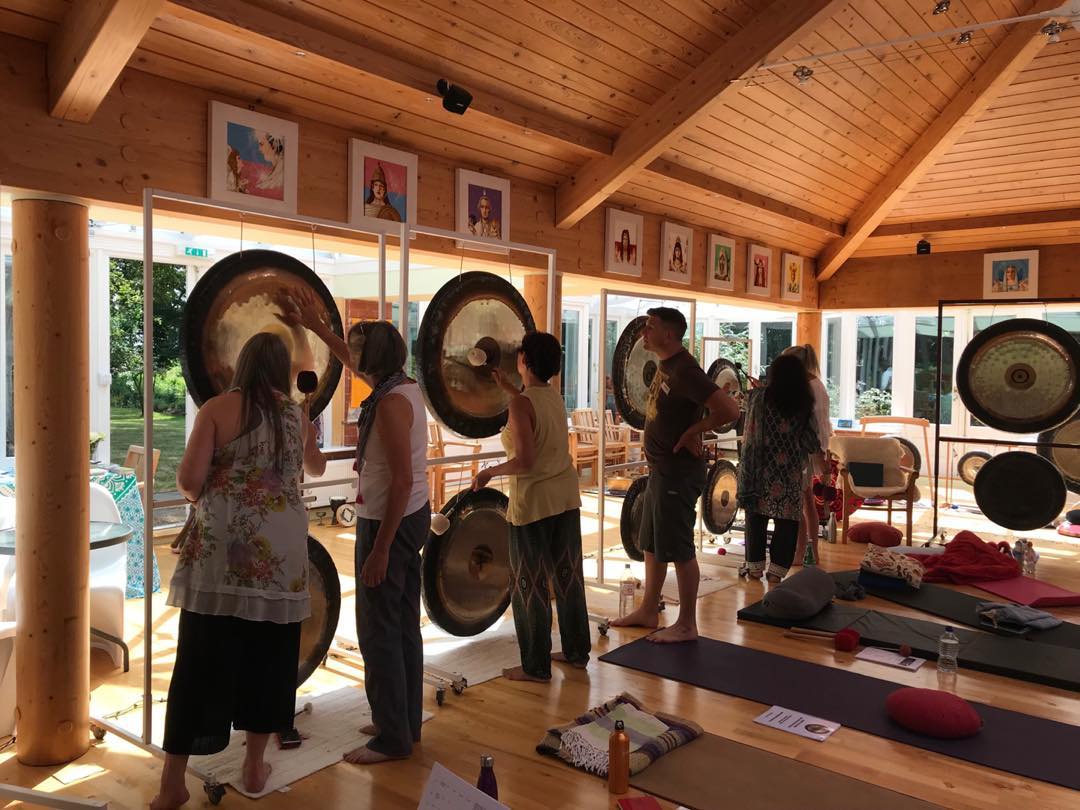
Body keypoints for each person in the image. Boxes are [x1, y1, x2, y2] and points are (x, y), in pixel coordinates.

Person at [152, 333, 326, 810]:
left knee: (199, 662)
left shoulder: (216, 409)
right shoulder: (296, 416)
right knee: (269, 660)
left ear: (243, 364)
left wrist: (218, 489)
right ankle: (253, 768)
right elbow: (314, 467)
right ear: (280, 372)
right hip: (281, 557)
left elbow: (189, 482)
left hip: (222, 554)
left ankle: (171, 784)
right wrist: (305, 423)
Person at [286, 289, 430, 765]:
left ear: (377, 361)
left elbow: (404, 479)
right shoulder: (401, 386)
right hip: (408, 515)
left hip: (391, 520)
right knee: (402, 623)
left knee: (378, 630)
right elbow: (353, 360)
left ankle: (392, 738)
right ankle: (403, 719)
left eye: (361, 351)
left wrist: (382, 548)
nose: (354, 358)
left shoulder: (390, 404)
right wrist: (315, 325)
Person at [611, 308, 740, 642]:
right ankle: (649, 609)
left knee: (680, 549)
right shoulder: (667, 365)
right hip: (660, 470)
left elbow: (729, 409)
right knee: (651, 543)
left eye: (650, 327)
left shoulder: (686, 369)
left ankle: (687, 623)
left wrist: (695, 430)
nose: (644, 333)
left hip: (678, 472)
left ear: (669, 334)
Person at [471, 332, 590, 682]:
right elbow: (533, 412)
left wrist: (490, 471)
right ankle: (576, 651)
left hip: (534, 502)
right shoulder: (552, 397)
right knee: (568, 577)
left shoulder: (521, 404)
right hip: (565, 497)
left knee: (531, 584)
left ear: (525, 359)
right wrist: (510, 388)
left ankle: (535, 666)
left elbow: (524, 461)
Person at [737, 354, 821, 583]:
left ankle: (754, 568)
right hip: (789, 473)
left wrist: (757, 389)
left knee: (756, 518)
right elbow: (811, 442)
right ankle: (776, 573)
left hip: (759, 472)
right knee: (787, 521)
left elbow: (740, 402)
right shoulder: (804, 404)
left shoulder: (758, 398)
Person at [782, 345, 831, 566]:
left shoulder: (811, 387)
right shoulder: (807, 384)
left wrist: (820, 454)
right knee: (806, 501)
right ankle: (811, 552)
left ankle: (801, 553)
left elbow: (817, 425)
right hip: (805, 449)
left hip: (807, 450)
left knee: (799, 502)